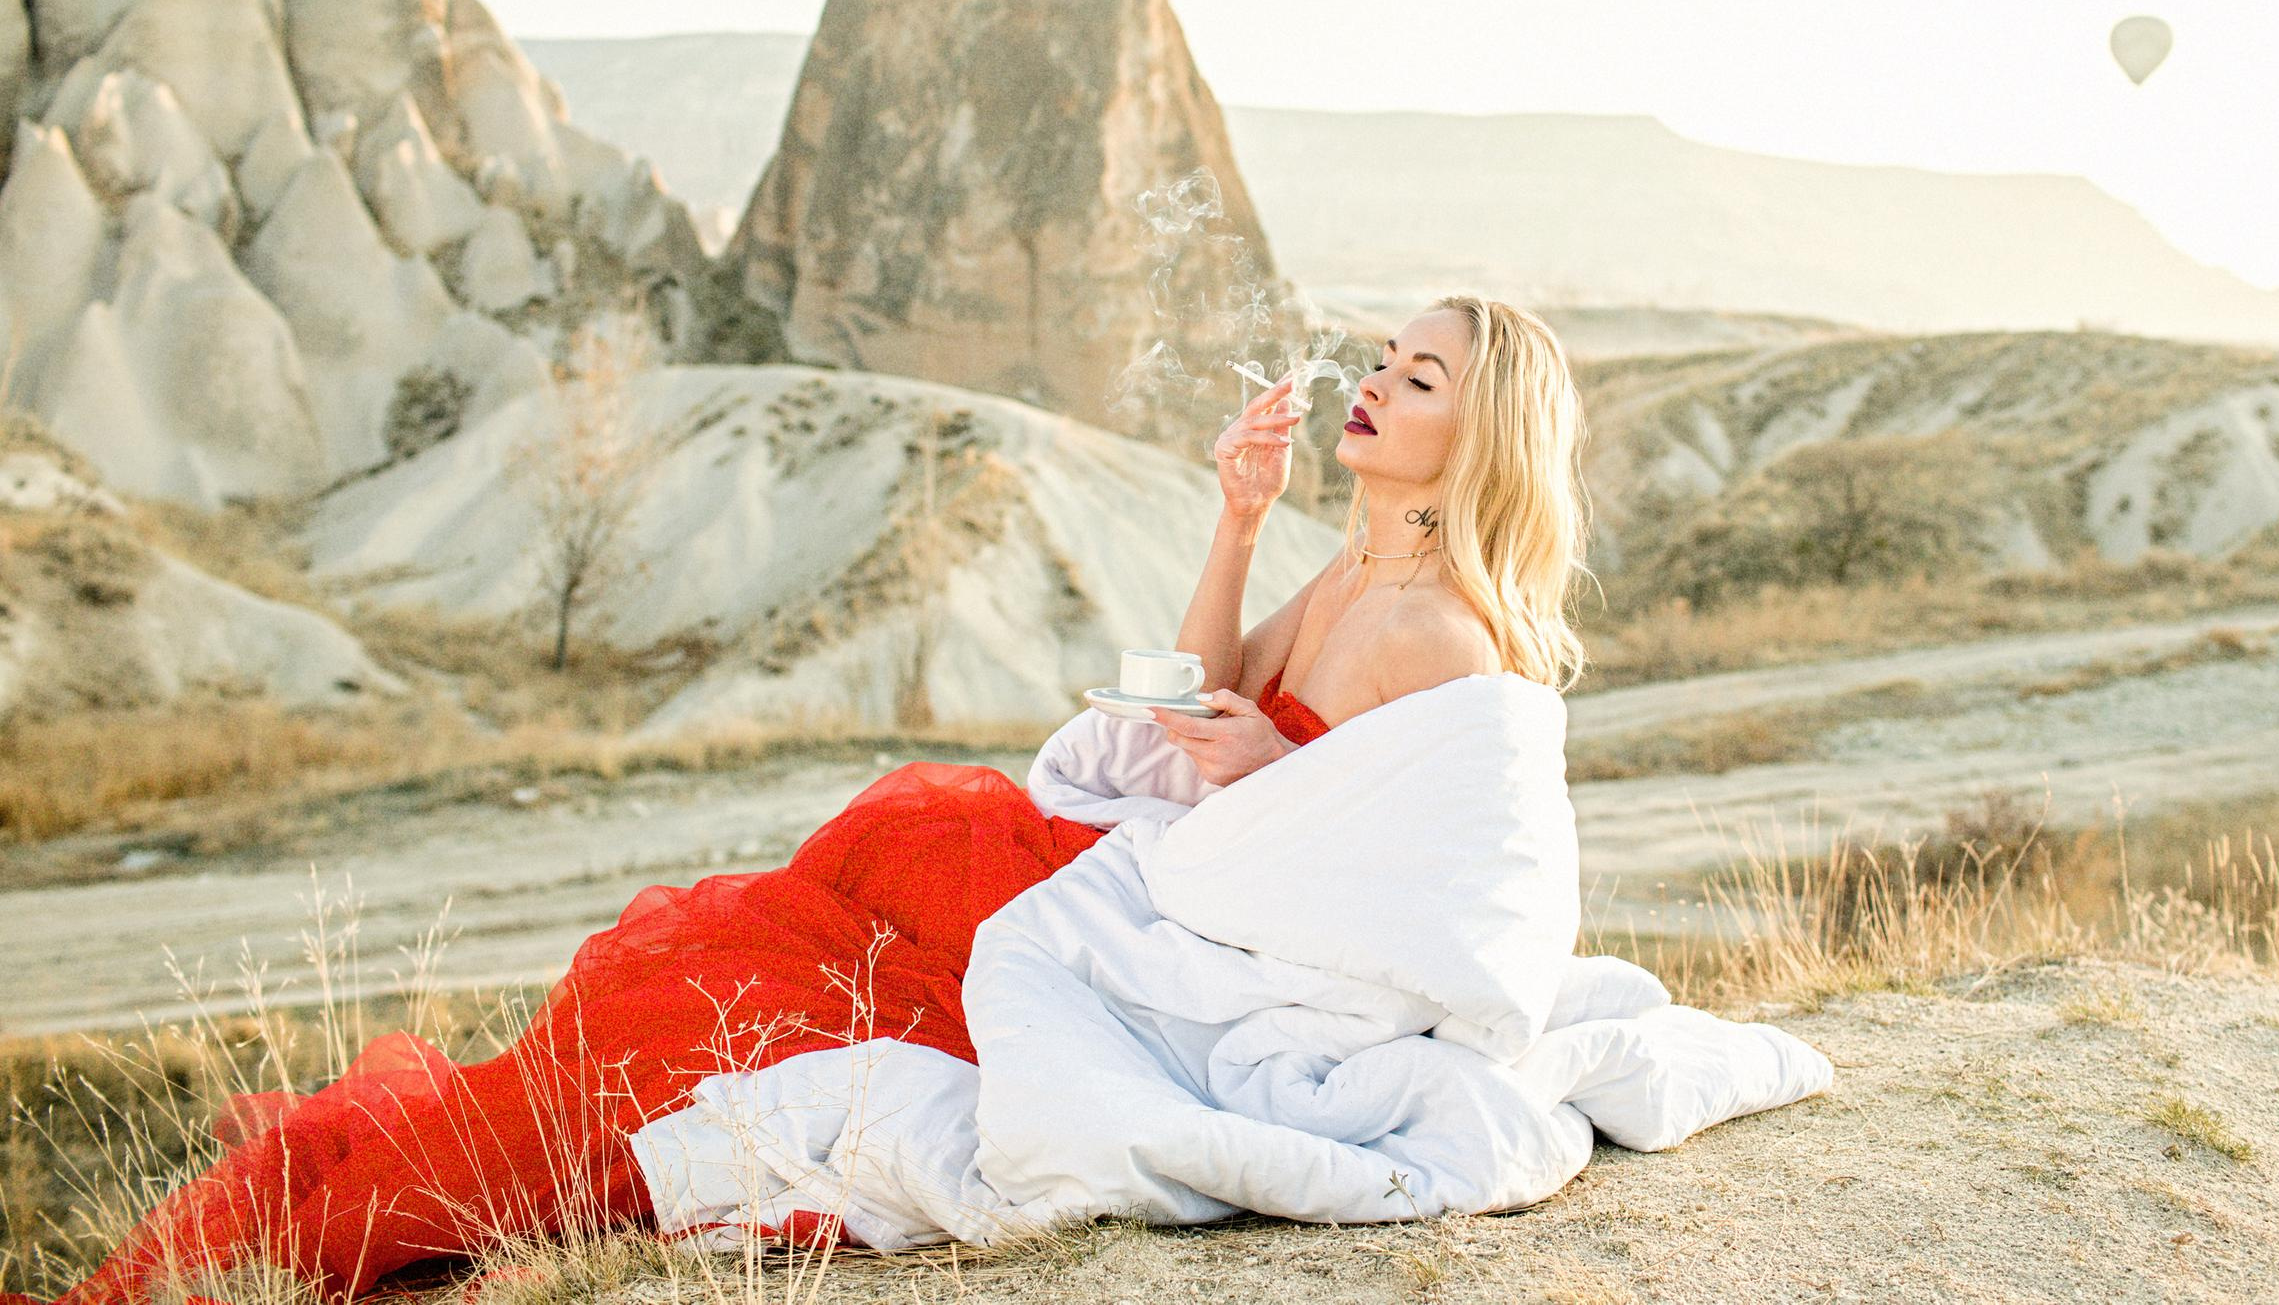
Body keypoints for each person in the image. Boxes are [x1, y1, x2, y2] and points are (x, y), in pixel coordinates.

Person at [34, 294, 1590, 1305]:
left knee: (773, 991)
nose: (1374, 386)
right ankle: (462, 1162)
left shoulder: (1447, 632)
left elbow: (1405, 886)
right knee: (827, 898)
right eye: (1383, 361)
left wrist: (1265, 782)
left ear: (1484, 433)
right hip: (1151, 861)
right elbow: (1199, 693)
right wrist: (1237, 518)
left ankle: (479, 1182)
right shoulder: (1359, 561)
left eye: (1418, 376)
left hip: (1195, 931)